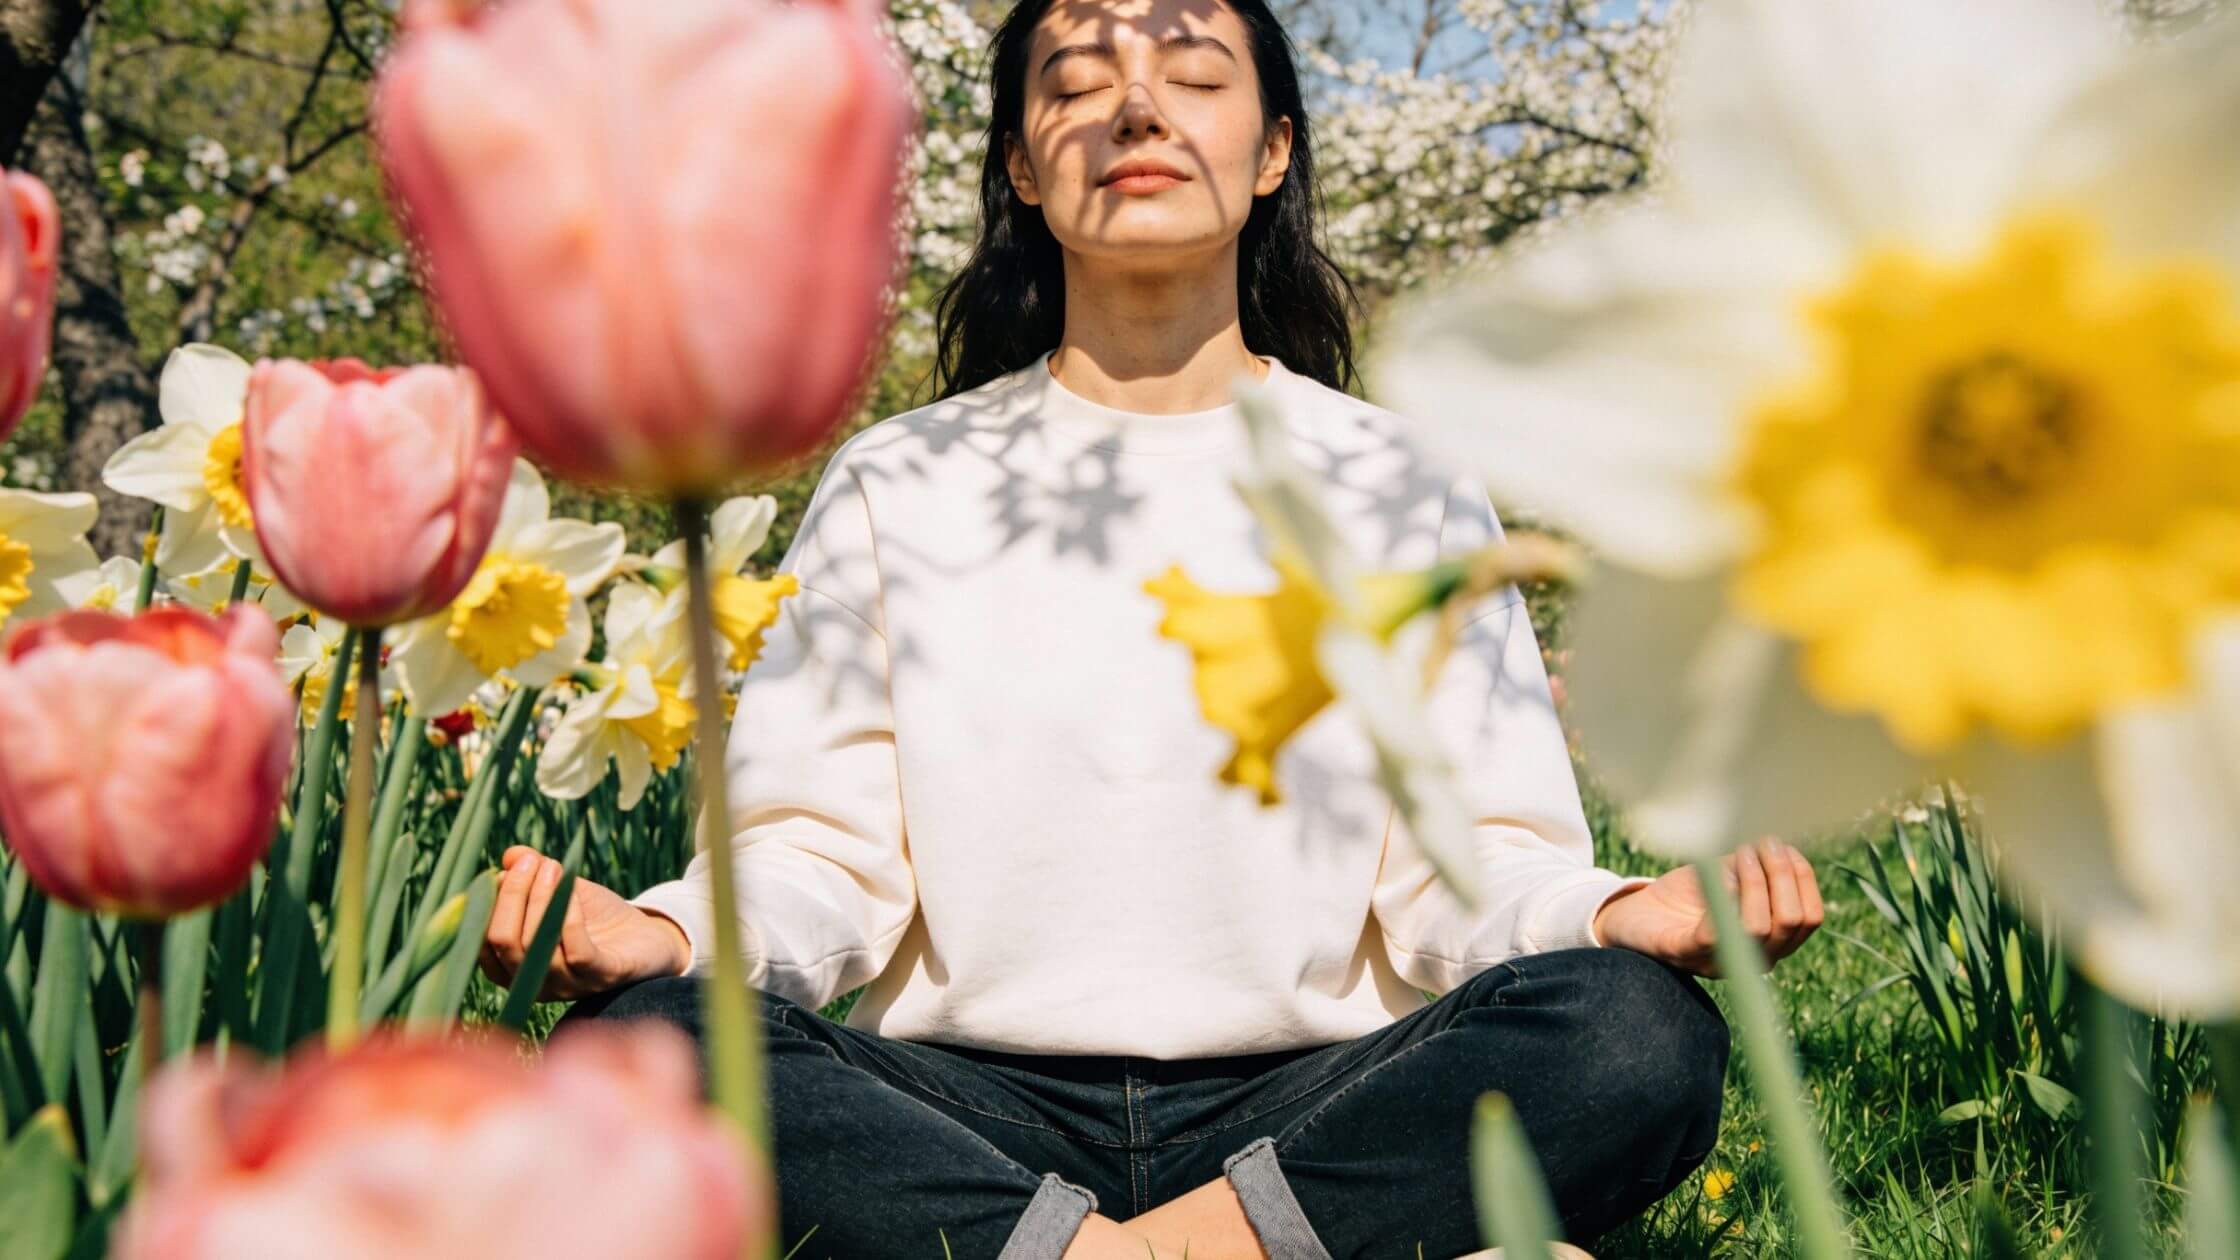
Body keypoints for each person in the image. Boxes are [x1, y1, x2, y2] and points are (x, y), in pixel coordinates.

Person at [478, 2, 1825, 1256]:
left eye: (1192, 78)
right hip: (969, 1111)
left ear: (1270, 153)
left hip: (1311, 1104)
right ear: (1019, 166)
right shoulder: (904, 480)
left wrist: (1611, 914)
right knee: (641, 1046)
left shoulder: (1396, 481)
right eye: (1077, 84)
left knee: (1638, 1036)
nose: (1136, 112)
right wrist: (672, 936)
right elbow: (815, 856)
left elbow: (1468, 873)